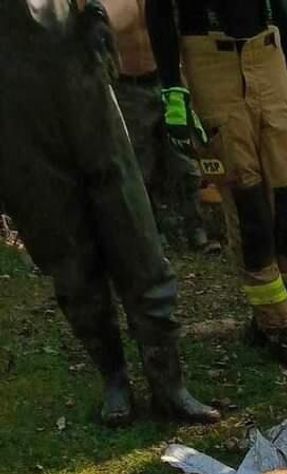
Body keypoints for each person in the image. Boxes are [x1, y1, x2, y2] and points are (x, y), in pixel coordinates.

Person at [0, 0, 219, 427]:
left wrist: (96, 15)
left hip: (79, 78)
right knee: (65, 252)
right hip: (16, 110)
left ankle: (168, 383)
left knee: (133, 229)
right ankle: (114, 379)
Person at [146, 0, 287, 369]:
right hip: (209, 61)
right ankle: (280, 326)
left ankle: (269, 315)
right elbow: (160, 12)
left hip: (267, 53)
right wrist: (172, 87)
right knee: (250, 213)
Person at [105, 0, 210, 252]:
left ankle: (196, 227)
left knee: (186, 160)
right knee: (140, 166)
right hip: (128, 85)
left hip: (166, 80)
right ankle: (152, 232)